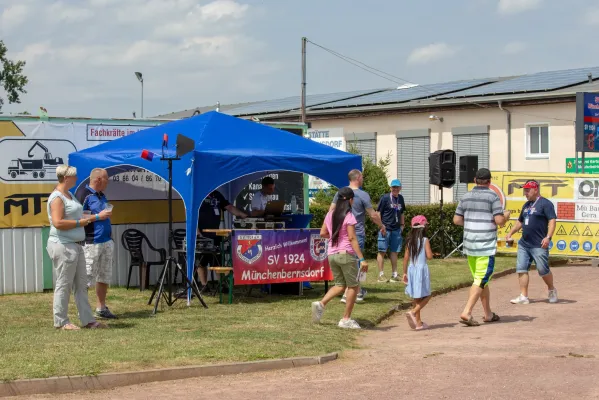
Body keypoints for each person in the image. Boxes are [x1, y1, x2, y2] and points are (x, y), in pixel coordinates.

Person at [46, 165, 108, 330]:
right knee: (64, 284)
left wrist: (91, 217)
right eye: (74, 177)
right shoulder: (57, 197)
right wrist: (80, 222)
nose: (76, 179)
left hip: (77, 245)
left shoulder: (70, 195)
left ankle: (88, 320)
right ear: (67, 178)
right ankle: (61, 321)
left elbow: (76, 214)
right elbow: (58, 222)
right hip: (63, 245)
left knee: (81, 284)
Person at [453, 168, 510, 326]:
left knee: (480, 279)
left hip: (470, 243)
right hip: (485, 244)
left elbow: (456, 220)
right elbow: (499, 221)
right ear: (490, 182)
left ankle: (488, 314)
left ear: (474, 179)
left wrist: (471, 224)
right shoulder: (492, 196)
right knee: (481, 279)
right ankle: (467, 312)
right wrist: (506, 216)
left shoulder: (465, 196)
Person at [311, 187, 369, 329]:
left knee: (339, 285)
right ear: (351, 200)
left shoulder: (330, 214)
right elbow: (352, 237)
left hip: (332, 254)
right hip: (346, 254)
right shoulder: (349, 216)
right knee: (353, 287)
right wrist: (362, 259)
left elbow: (323, 232)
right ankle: (345, 319)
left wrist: (334, 235)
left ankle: (321, 304)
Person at [330, 169, 384, 303]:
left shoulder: (340, 192)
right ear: (358, 178)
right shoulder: (363, 195)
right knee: (358, 262)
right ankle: (353, 293)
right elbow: (372, 215)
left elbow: (331, 210)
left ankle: (355, 291)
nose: (363, 179)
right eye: (362, 177)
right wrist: (382, 226)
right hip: (356, 233)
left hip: (341, 234)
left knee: (350, 262)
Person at [506, 180, 558, 304]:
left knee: (542, 270)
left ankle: (551, 290)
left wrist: (548, 237)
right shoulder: (526, 205)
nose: (525, 192)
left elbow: (552, 221)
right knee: (521, 268)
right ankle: (524, 296)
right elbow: (520, 222)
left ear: (536, 190)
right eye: (524, 190)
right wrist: (510, 233)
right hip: (524, 244)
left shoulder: (545, 204)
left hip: (539, 244)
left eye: (528, 190)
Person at [78, 168, 116, 319]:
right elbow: (79, 218)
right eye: (106, 179)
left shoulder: (101, 195)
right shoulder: (84, 194)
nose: (108, 182)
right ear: (98, 180)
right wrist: (98, 216)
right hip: (91, 241)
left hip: (106, 240)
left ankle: (101, 307)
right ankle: (84, 310)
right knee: (86, 277)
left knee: (104, 275)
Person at [197, 190, 247, 288]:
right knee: (202, 261)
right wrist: (197, 232)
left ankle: (221, 285)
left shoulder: (217, 194)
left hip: (215, 233)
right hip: (202, 234)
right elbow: (192, 214)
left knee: (218, 261)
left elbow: (229, 207)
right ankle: (204, 286)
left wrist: (242, 215)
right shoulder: (199, 193)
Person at [402, 215, 433, 330]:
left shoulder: (409, 241)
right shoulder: (425, 240)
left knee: (416, 297)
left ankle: (418, 323)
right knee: (428, 295)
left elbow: (405, 258)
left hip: (411, 270)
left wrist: (404, 273)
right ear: (423, 227)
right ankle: (413, 312)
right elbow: (429, 256)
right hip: (421, 270)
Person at [376, 179, 406, 283]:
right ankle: (381, 275)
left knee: (395, 252)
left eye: (397, 187)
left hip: (396, 229)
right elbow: (378, 212)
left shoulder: (401, 198)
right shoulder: (385, 198)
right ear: (390, 188)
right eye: (393, 187)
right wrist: (381, 226)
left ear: (400, 188)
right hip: (385, 229)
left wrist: (402, 225)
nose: (395, 189)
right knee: (382, 251)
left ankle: (394, 274)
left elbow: (402, 213)